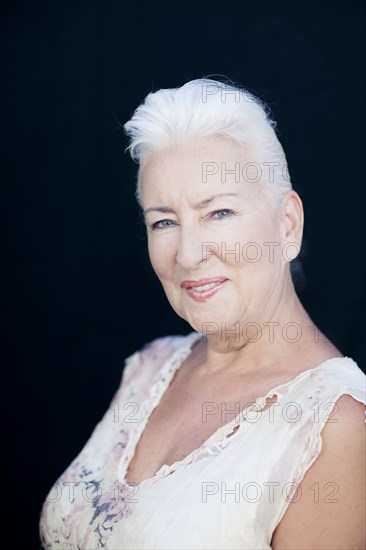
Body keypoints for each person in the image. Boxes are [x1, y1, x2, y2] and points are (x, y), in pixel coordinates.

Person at [39, 77, 366, 549]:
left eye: (219, 213)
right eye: (165, 222)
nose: (188, 254)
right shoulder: (150, 367)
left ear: (286, 224)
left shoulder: (336, 427)